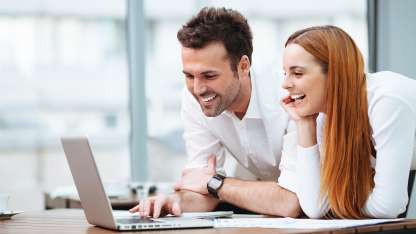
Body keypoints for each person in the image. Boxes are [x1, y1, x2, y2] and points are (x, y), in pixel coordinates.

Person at [129, 7, 301, 218]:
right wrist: (174, 201)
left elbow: (291, 201)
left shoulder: (288, 94)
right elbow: (200, 186)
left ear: (243, 66)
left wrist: (215, 184)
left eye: (209, 76)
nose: (198, 89)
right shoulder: (194, 99)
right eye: (189, 76)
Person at [280, 25, 416, 219]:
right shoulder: (326, 117)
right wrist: (304, 125)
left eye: (298, 73)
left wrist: (340, 206)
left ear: (335, 72)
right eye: (285, 73)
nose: (285, 84)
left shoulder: (387, 100)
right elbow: (315, 207)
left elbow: (388, 206)